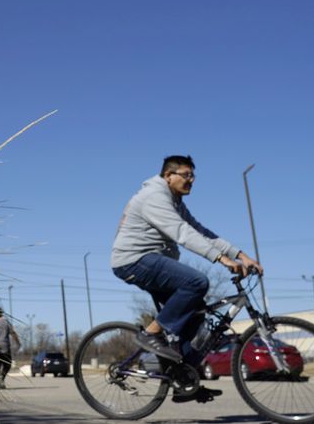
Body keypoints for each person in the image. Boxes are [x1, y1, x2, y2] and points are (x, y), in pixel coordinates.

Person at [110, 155, 263, 403]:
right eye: (185, 175)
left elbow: (201, 231)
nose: (191, 180)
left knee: (197, 318)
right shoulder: (154, 197)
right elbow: (182, 233)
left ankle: (183, 380)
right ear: (168, 175)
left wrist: (241, 255)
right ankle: (151, 334)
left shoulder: (175, 201)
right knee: (197, 282)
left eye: (193, 176)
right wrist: (220, 259)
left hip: (153, 261)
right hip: (133, 261)